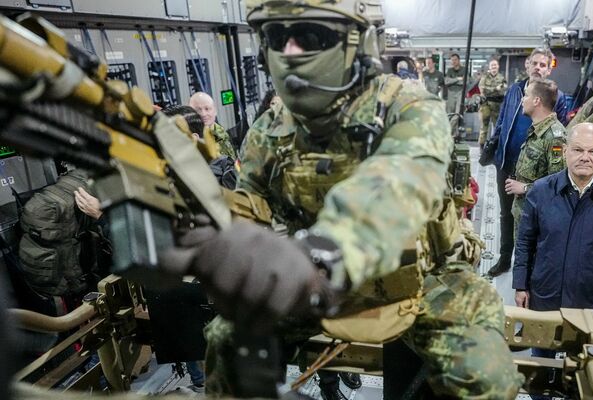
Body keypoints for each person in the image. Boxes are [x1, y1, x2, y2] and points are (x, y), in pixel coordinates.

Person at [163, 1, 523, 400]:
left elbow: (395, 189)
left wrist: (322, 253)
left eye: (310, 37)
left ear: (359, 43)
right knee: (228, 340)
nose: (290, 53)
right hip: (312, 285)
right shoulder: (271, 130)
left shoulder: (409, 108)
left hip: (422, 281)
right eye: (276, 38)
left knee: (487, 378)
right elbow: (250, 206)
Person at [512, 123, 593, 346]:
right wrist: (521, 284)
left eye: (592, 151)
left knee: (581, 373)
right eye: (578, 150)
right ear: (566, 151)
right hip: (544, 298)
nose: (585, 157)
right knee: (541, 361)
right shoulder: (541, 191)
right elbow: (525, 241)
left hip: (590, 306)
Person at [486, 48, 569, 278]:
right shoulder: (514, 90)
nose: (538, 68)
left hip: (534, 171)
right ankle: (505, 259)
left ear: (549, 68)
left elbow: (558, 130)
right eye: (535, 63)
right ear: (527, 64)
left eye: (543, 64)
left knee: (531, 218)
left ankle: (527, 269)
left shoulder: (556, 96)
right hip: (507, 163)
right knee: (507, 214)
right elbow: (502, 121)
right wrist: (494, 151)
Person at [503, 78, 566, 232]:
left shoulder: (555, 137)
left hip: (537, 218)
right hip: (524, 212)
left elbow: (558, 183)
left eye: (526, 95)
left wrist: (525, 188)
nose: (523, 100)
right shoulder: (537, 129)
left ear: (537, 100)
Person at [188, 92, 237, 160]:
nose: (203, 114)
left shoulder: (223, 133)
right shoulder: (190, 140)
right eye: (198, 110)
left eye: (207, 109)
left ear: (215, 111)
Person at [478, 59, 506, 147]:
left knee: (497, 127)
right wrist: (495, 89)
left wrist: (490, 90)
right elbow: (482, 89)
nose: (494, 67)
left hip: (497, 105)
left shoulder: (502, 78)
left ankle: (496, 147)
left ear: (498, 66)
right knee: (484, 126)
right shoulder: (484, 77)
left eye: (495, 65)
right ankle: (482, 148)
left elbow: (502, 90)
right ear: (489, 67)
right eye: (492, 65)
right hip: (485, 104)